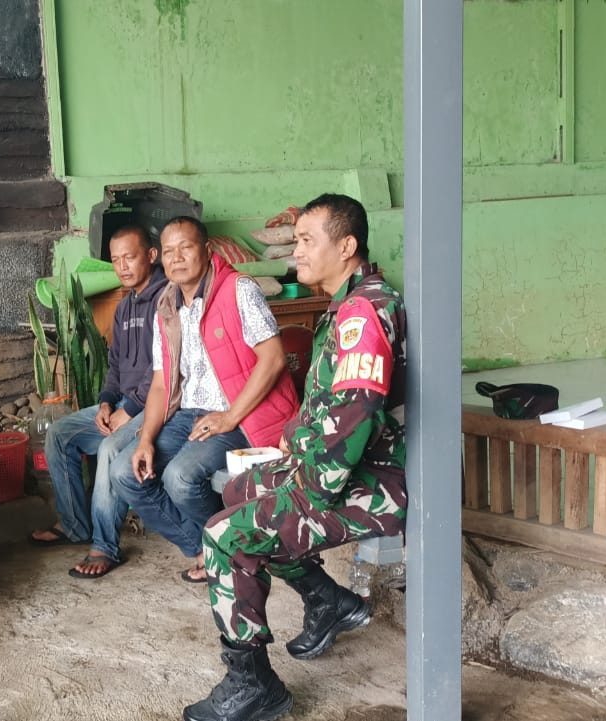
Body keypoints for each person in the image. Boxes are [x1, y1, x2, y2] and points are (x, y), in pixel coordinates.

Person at [184, 194, 407, 721]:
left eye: (308, 241)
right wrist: (292, 441)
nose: (297, 251)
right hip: (348, 469)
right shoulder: (348, 304)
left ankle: (252, 683)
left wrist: (302, 489)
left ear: (346, 246)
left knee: (225, 535)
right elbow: (330, 407)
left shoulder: (363, 313)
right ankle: (328, 600)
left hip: (374, 484)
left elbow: (355, 415)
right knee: (240, 490)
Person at [108, 216, 299, 583]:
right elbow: (161, 383)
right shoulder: (167, 305)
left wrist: (229, 417)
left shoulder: (238, 289)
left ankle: (230, 549)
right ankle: (206, 549)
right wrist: (145, 439)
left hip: (239, 413)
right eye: (168, 251)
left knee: (181, 478)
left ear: (207, 250)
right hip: (189, 413)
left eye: (186, 248)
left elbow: (273, 359)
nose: (176, 258)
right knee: (125, 473)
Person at [28, 225, 169, 579]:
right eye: (116, 260)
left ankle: (105, 546)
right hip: (123, 403)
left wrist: (128, 411)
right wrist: (106, 403)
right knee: (60, 433)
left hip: (155, 407)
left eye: (130, 257)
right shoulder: (125, 307)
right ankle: (74, 524)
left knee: (108, 448)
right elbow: (115, 365)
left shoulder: (167, 300)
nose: (122, 267)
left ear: (151, 255)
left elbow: (165, 370)